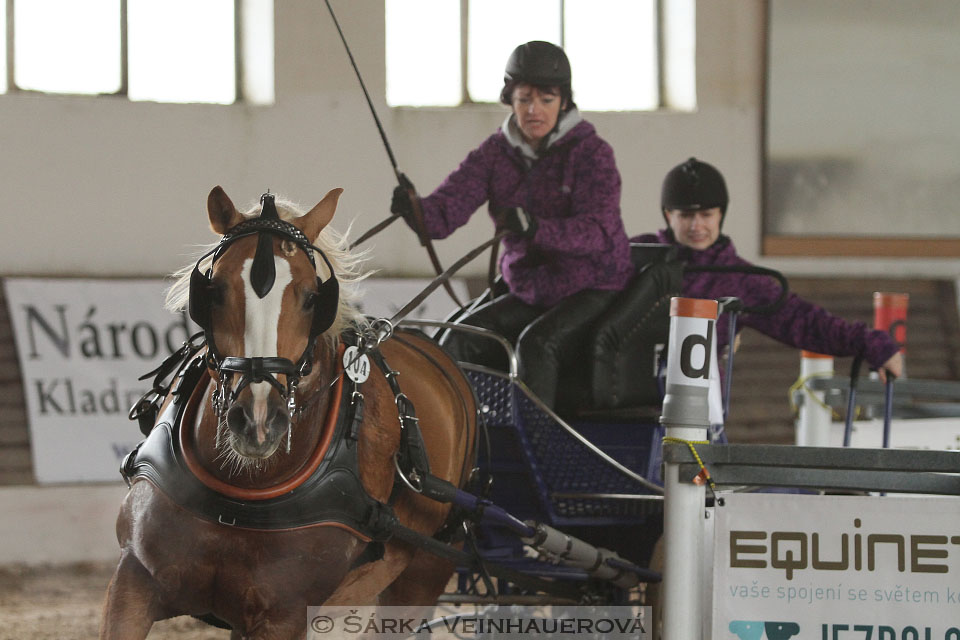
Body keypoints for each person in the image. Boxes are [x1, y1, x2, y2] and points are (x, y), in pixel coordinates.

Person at [389, 41, 634, 411]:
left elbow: (598, 232)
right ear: (511, 101)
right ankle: (464, 446)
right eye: (523, 99)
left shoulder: (593, 153)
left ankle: (536, 453)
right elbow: (445, 215)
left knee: (537, 345)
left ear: (564, 102)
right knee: (458, 338)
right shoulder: (494, 153)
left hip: (593, 285)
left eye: (546, 99)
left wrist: (538, 228)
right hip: (531, 288)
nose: (533, 110)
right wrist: (415, 210)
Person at [632, 157, 904, 382]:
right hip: (625, 403)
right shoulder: (635, 258)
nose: (696, 226)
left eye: (706, 215)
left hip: (698, 412)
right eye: (686, 215)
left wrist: (870, 343)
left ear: (721, 215)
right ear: (669, 215)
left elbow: (802, 321)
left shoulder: (741, 280)